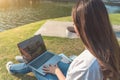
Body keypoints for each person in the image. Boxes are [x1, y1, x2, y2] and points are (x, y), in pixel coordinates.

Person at [6, 0, 120, 80]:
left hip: (66, 76)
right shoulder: (108, 47)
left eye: (74, 22)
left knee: (35, 65)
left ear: (83, 28)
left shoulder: (86, 66)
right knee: (54, 58)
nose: (73, 25)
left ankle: (12, 68)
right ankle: (27, 60)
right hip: (75, 71)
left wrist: (56, 71)